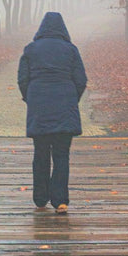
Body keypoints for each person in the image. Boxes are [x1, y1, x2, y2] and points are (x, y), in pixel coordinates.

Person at [17, 11, 87, 212]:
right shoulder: (71, 50)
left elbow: (22, 78)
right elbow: (81, 80)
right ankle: (60, 200)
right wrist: (73, 98)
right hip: (65, 103)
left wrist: (29, 98)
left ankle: (40, 197)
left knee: (40, 152)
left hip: (39, 105)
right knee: (61, 154)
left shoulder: (31, 50)